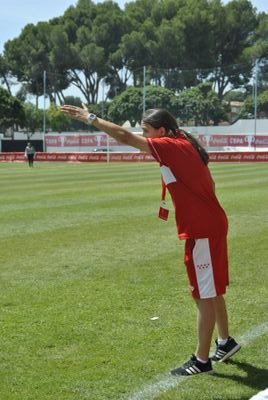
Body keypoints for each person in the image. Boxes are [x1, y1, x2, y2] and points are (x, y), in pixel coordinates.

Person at [60, 104, 241, 376]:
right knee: (211, 288)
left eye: (146, 131)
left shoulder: (171, 145)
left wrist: (90, 118)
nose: (142, 135)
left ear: (162, 131)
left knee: (203, 293)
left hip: (203, 229)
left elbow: (124, 137)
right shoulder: (182, 143)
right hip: (209, 224)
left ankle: (202, 360)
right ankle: (225, 342)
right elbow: (211, 185)